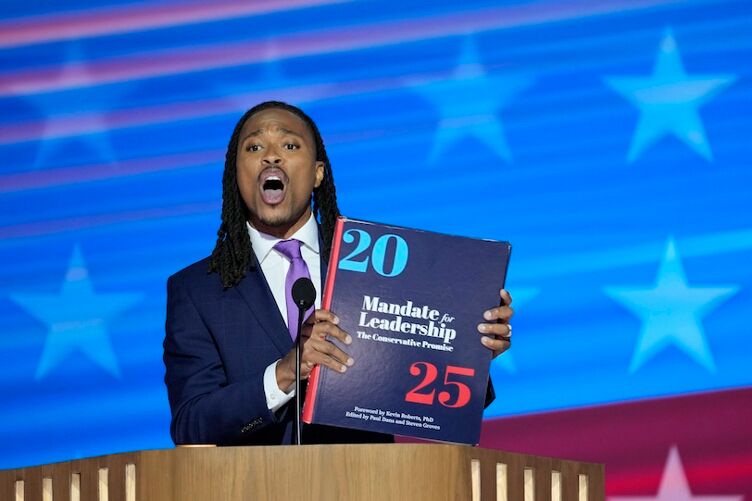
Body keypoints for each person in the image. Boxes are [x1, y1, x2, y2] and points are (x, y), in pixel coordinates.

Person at [163, 101, 514, 446]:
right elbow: (192, 424)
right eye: (254, 147)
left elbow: (438, 398)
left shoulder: (378, 267)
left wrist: (469, 350)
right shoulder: (196, 291)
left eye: (289, 144)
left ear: (317, 173)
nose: (271, 156)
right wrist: (285, 373)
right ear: (235, 174)